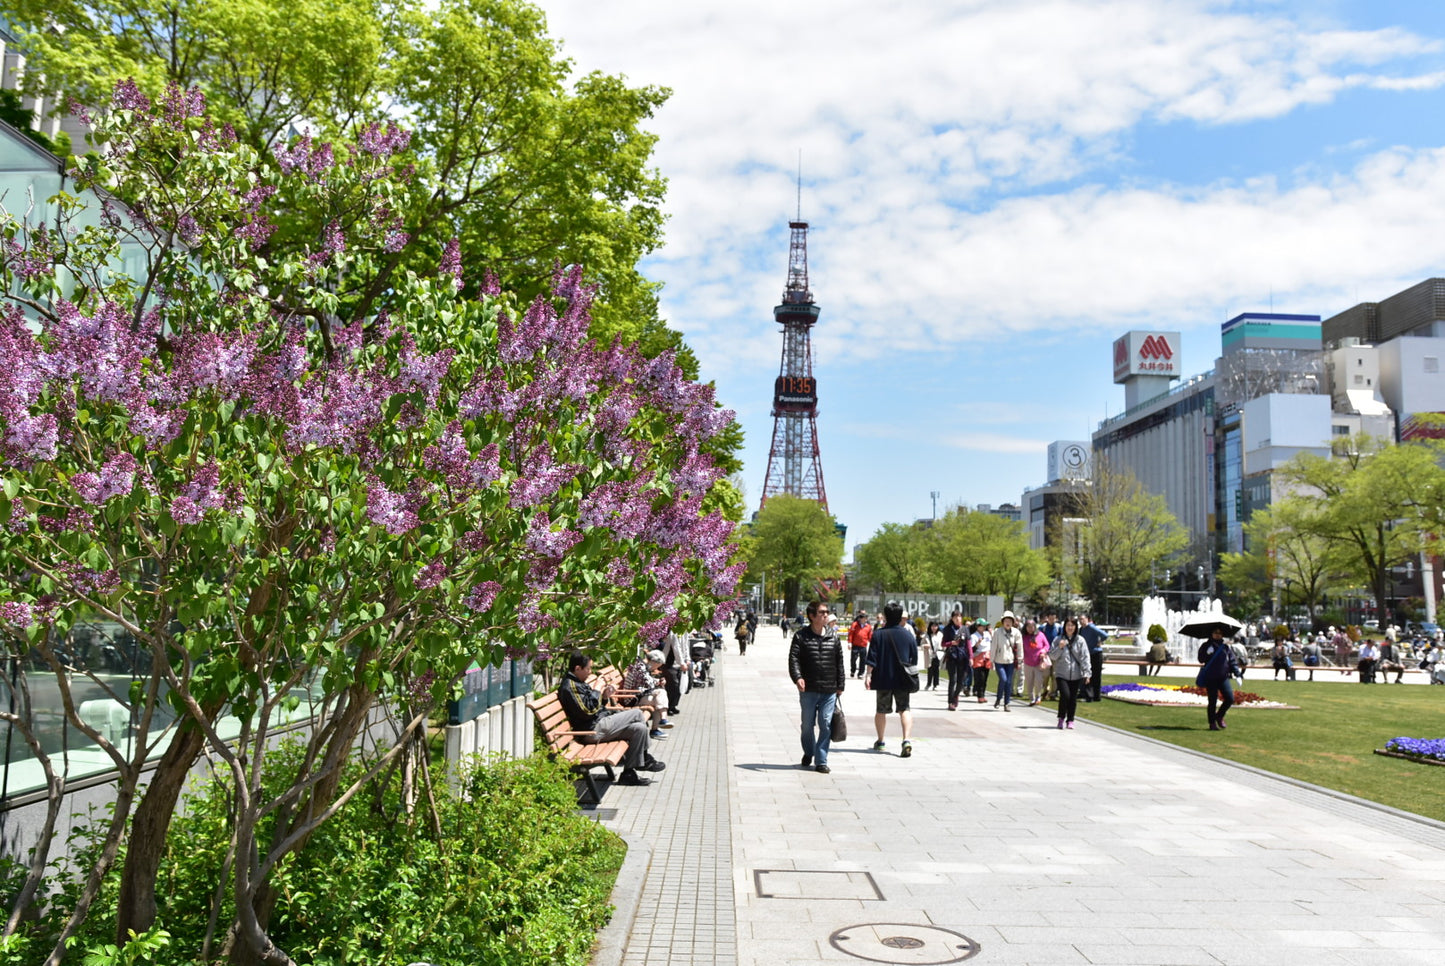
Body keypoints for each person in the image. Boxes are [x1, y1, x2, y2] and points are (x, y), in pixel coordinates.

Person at [557, 652, 664, 786]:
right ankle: (645, 758)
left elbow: (593, 707)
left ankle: (628, 774)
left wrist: (605, 696)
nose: (590, 673)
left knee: (639, 729)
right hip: (591, 730)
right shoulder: (570, 686)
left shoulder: (579, 682)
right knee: (637, 713)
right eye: (588, 669)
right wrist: (597, 689)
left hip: (600, 724)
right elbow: (588, 712)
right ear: (577, 668)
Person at [788, 600, 845, 774]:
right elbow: (794, 659)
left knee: (826, 724)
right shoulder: (801, 636)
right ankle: (808, 751)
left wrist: (840, 685)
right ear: (812, 616)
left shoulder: (833, 636)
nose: (826, 615)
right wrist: (798, 677)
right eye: (822, 612)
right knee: (807, 725)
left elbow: (839, 662)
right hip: (809, 689)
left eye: (827, 612)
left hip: (829, 689)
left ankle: (821, 760)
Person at [865, 601, 919, 757]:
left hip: (883, 678)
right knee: (905, 709)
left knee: (881, 710)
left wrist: (868, 675)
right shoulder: (908, 634)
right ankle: (906, 740)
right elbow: (913, 658)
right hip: (903, 679)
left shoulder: (878, 634)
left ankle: (881, 741)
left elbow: (872, 658)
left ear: (886, 616)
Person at [620, 649, 673, 738]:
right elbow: (648, 683)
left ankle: (660, 723)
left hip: (639, 695)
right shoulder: (639, 667)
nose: (656, 669)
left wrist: (658, 681)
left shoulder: (642, 665)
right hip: (632, 698)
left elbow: (648, 682)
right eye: (657, 666)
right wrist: (659, 681)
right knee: (660, 695)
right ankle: (658, 726)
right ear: (653, 661)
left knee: (659, 697)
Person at [1049, 617, 1091, 729]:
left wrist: (1087, 673)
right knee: (1065, 695)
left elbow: (1085, 657)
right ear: (1064, 626)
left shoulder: (1080, 640)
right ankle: (1061, 718)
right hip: (1061, 673)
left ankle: (1070, 720)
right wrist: (1060, 647)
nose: (1070, 627)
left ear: (1076, 627)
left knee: (1072, 698)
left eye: (1072, 625)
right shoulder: (1058, 639)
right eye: (1068, 625)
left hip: (1076, 674)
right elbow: (1052, 656)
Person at [1196, 629, 1240, 731]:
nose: (1217, 635)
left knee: (1230, 698)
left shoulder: (1225, 647)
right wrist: (1207, 653)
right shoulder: (1206, 645)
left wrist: (1237, 674)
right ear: (1211, 634)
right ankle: (1212, 723)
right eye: (1215, 633)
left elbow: (1232, 661)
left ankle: (1219, 716)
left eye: (1220, 633)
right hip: (1211, 677)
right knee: (1212, 701)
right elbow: (1201, 659)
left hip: (1223, 677)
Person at [990, 611, 1022, 711]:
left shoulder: (1016, 632)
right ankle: (999, 698)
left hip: (1011, 661)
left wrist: (1020, 660)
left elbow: (1020, 647)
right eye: (1006, 620)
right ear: (1003, 622)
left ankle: (1007, 703)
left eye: (1010, 621)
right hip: (999, 660)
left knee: (1008, 682)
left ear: (1013, 622)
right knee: (1003, 679)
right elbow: (993, 646)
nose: (1008, 623)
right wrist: (991, 660)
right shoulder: (997, 632)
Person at [942, 613, 971, 710]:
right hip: (952, 656)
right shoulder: (948, 629)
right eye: (955, 617)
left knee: (961, 681)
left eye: (959, 617)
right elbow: (943, 643)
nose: (958, 619)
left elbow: (968, 644)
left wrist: (971, 657)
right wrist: (951, 643)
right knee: (952, 680)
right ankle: (950, 702)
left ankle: (955, 696)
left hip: (963, 657)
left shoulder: (965, 629)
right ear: (952, 619)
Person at [1019, 617, 1051, 706]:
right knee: (1029, 681)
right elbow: (1019, 648)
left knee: (1038, 681)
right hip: (1027, 662)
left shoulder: (1040, 635)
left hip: (1038, 662)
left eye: (1032, 627)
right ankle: (1031, 698)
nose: (1030, 629)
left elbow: (1047, 645)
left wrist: (1043, 651)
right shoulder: (1023, 637)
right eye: (1028, 627)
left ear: (1035, 627)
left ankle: (1038, 696)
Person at [1078, 615, 1109, 701]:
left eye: (1083, 619)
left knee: (1095, 675)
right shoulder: (1081, 629)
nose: (1081, 621)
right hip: (1087, 654)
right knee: (1087, 675)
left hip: (1095, 653)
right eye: (1080, 619)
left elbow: (1105, 635)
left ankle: (1095, 696)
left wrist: (1099, 641)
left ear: (1087, 619)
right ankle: (1088, 694)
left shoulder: (1091, 627)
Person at [971, 620, 993, 703]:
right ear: (977, 626)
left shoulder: (987, 634)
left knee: (985, 677)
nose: (984, 627)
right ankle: (979, 695)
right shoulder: (974, 636)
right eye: (982, 626)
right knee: (980, 677)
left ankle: (983, 694)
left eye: (985, 626)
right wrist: (977, 644)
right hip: (978, 657)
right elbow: (972, 650)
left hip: (987, 656)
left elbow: (990, 643)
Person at [847, 611, 873, 679]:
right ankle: (853, 670)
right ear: (860, 618)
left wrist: (873, 643)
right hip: (855, 645)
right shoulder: (854, 625)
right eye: (864, 618)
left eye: (866, 618)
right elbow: (851, 634)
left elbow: (870, 636)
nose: (865, 619)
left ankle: (861, 673)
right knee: (853, 659)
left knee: (863, 660)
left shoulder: (868, 627)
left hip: (863, 646)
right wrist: (849, 642)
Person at [922, 620, 942, 690]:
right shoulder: (927, 635)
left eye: (935, 626)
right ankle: (928, 684)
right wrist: (925, 646)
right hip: (930, 654)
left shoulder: (940, 634)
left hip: (938, 654)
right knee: (930, 669)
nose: (934, 628)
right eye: (933, 626)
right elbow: (922, 644)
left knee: (936, 669)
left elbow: (942, 644)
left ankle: (936, 684)